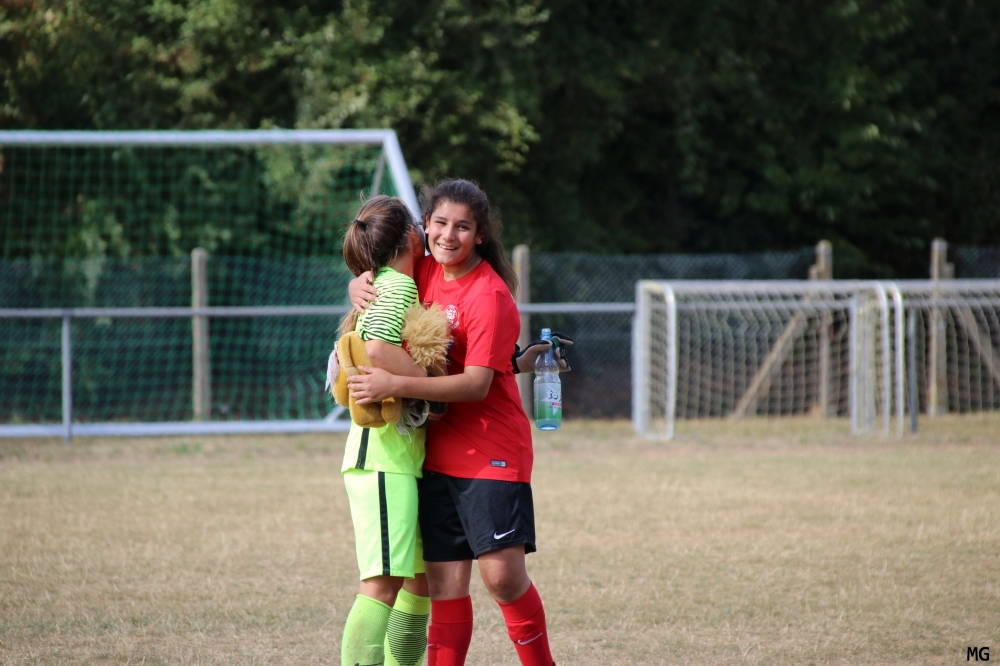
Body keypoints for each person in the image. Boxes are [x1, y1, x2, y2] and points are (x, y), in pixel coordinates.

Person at [346, 180, 558, 666]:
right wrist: (356, 282)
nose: (448, 235)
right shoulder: (421, 271)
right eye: (439, 223)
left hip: (491, 450)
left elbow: (476, 384)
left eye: (462, 227)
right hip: (435, 452)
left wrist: (394, 384)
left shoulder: (490, 294)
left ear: (479, 235)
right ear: (425, 226)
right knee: (443, 585)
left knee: (502, 578)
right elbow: (380, 276)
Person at [336, 195, 433, 666]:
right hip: (381, 455)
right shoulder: (397, 285)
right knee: (381, 584)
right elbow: (374, 349)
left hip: (399, 457)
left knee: (418, 582)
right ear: (411, 235)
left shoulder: (392, 281)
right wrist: (429, 382)